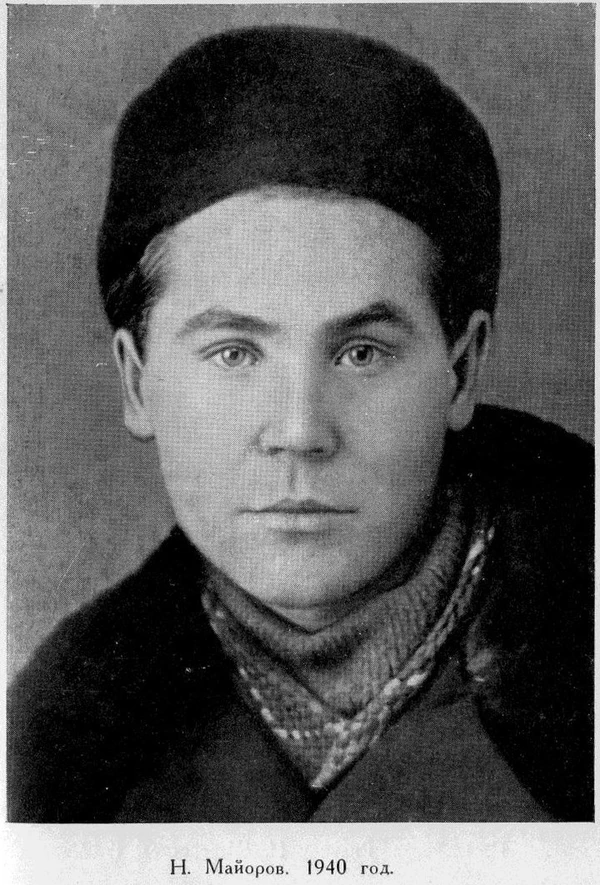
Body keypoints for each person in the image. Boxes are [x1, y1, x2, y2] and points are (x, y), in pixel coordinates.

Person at [8, 25, 592, 823]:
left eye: (360, 352)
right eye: (234, 353)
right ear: (138, 382)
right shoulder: (50, 766)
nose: (299, 430)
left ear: (461, 370)